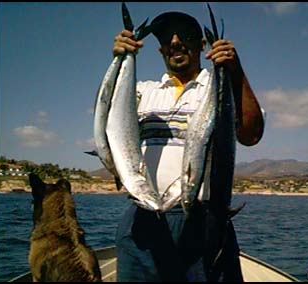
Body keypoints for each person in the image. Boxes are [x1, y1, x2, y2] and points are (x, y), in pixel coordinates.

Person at [112, 11, 265, 282]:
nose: (175, 42)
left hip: (205, 218)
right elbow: (108, 124)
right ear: (159, 49)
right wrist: (119, 61)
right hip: (142, 217)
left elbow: (251, 135)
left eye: (185, 35)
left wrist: (235, 70)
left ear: (201, 45)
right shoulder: (141, 90)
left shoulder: (219, 86)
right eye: (167, 37)